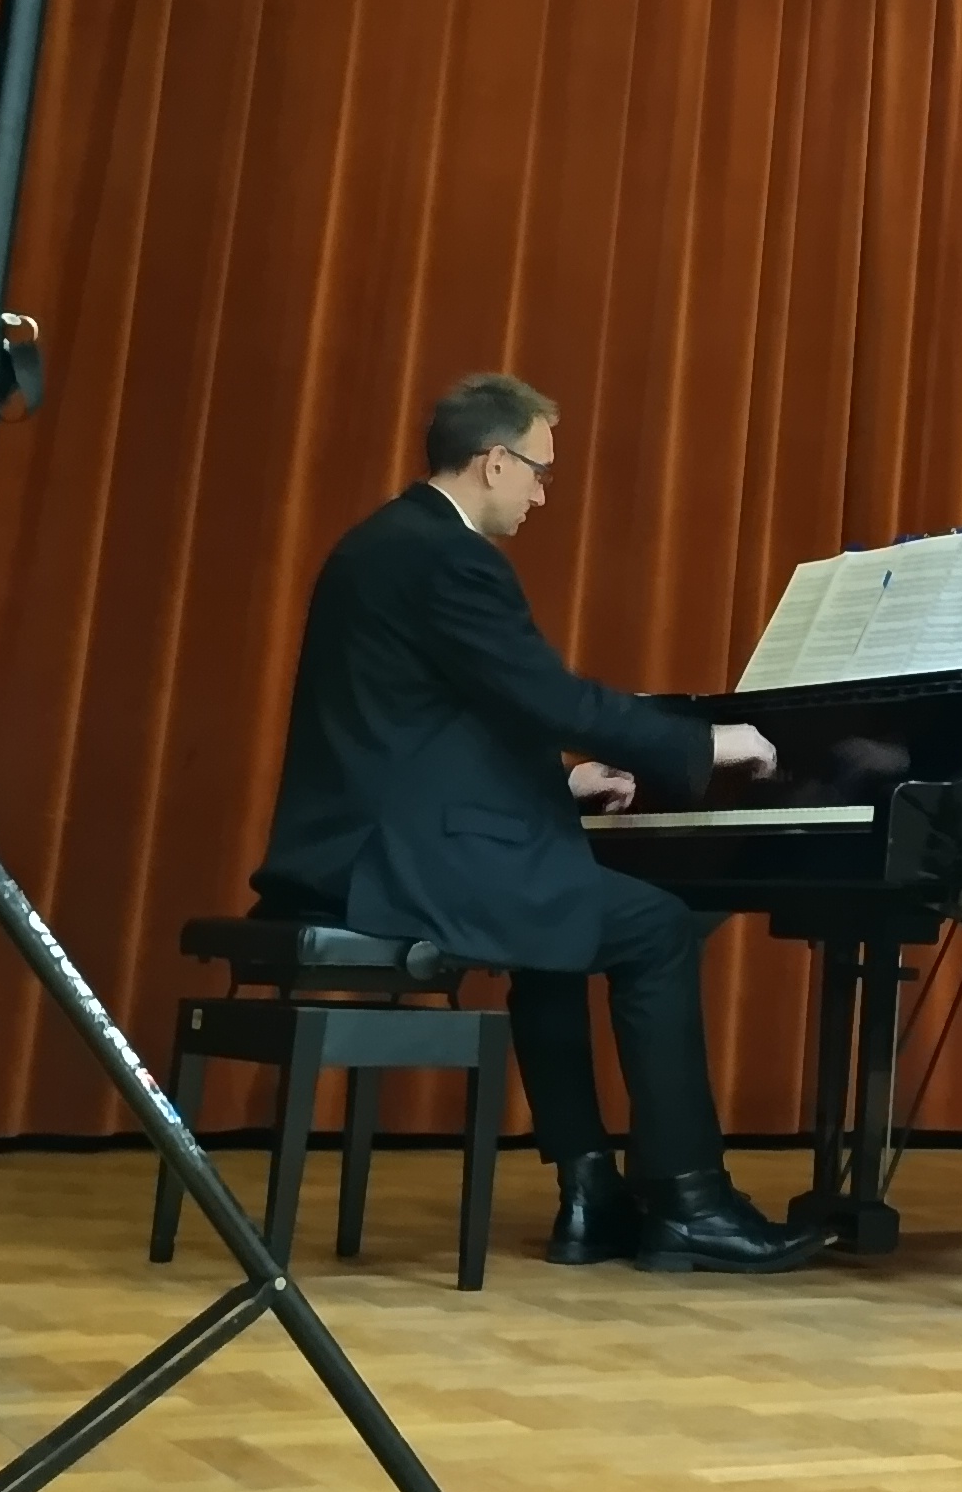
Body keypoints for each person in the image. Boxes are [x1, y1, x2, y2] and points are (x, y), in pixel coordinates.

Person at [252, 371, 821, 1274]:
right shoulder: (451, 558)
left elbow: (430, 725)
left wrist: (564, 784)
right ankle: (691, 1202)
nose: (543, 494)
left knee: (556, 928)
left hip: (366, 841)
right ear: (494, 461)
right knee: (657, 927)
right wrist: (706, 742)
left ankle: (591, 1194)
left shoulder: (382, 543)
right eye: (540, 472)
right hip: (401, 859)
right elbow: (548, 696)